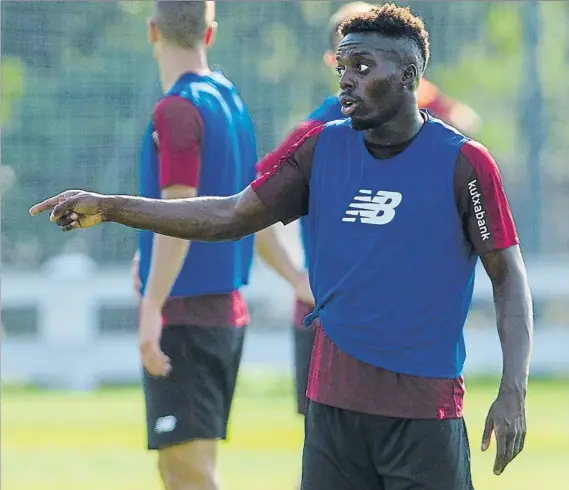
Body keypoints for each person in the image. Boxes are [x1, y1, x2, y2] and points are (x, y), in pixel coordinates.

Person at [31, 4, 532, 490]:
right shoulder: (320, 148)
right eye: (342, 66)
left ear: (408, 76)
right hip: (333, 405)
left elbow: (507, 276)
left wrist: (513, 391)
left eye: (362, 66)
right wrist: (110, 207)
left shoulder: (463, 164)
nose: (346, 79)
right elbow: (230, 215)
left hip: (424, 410)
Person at [254, 0, 482, 419]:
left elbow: (470, 128)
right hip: (327, 317)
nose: (356, 73)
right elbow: (249, 208)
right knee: (332, 454)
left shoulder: (423, 125)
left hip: (408, 320)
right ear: (332, 61)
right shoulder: (313, 135)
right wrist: (296, 279)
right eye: (349, 60)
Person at [108, 2, 256, 489]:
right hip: (222, 312)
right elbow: (254, 206)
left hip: (187, 316)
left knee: (189, 474)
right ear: (210, 34)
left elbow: (178, 213)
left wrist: (152, 306)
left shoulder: (176, 108)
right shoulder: (231, 100)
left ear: (152, 31)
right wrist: (298, 279)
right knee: (179, 469)